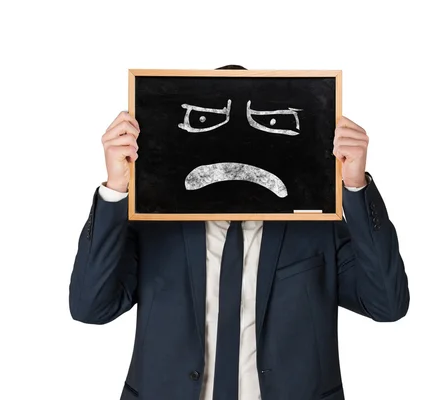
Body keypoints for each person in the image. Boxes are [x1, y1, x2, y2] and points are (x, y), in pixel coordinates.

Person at [68, 65, 409, 400]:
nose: (234, 145)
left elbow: (387, 304)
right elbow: (90, 307)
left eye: (270, 123)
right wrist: (116, 189)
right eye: (205, 121)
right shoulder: (153, 226)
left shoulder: (317, 228)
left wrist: (355, 185)